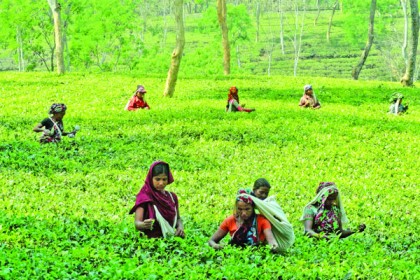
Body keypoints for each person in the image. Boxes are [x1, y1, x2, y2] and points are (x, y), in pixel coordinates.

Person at [129, 161, 185, 238]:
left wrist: (180, 227)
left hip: (171, 240)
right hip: (150, 242)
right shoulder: (144, 197)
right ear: (151, 179)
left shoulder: (172, 197)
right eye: (157, 179)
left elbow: (178, 218)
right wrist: (143, 225)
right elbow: (137, 224)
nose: (161, 183)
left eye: (164, 179)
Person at [208, 191, 278, 251]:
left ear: (253, 208)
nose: (244, 213)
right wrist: (215, 246)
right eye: (240, 209)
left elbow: (271, 239)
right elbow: (211, 240)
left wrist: (273, 246)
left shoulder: (262, 221)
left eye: (247, 209)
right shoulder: (230, 220)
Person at [300, 182, 366, 239]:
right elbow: (308, 230)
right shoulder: (310, 209)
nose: (333, 202)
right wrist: (320, 236)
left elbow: (340, 233)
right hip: (315, 244)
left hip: (333, 244)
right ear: (321, 197)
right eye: (329, 199)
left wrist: (355, 230)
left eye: (333, 199)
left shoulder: (335, 210)